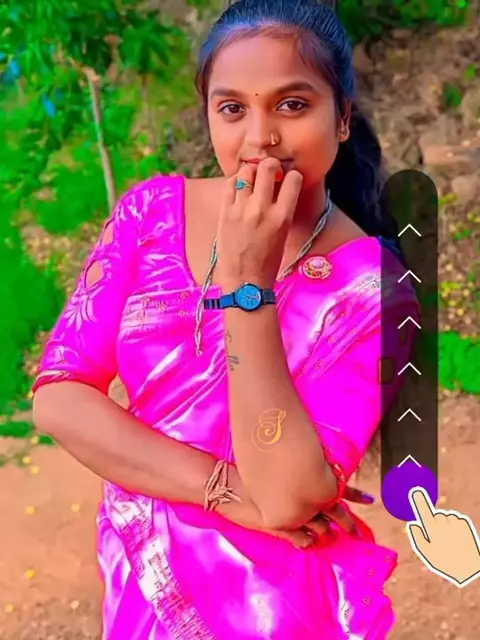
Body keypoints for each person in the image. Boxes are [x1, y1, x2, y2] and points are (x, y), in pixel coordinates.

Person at [32, 0, 419, 637]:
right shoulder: (151, 215)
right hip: (145, 590)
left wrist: (246, 286)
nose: (260, 137)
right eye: (233, 108)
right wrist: (225, 490)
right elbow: (60, 399)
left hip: (279, 607)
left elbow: (289, 498)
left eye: (292, 104)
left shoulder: (375, 290)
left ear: (343, 117)